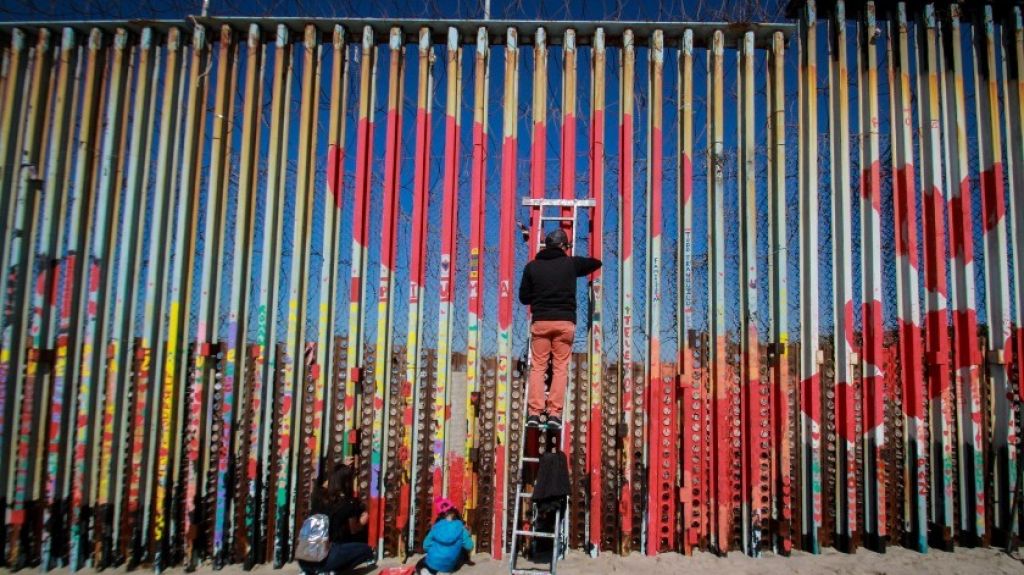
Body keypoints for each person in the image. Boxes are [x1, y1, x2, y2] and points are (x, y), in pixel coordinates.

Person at [518, 228, 602, 428]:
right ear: (564, 246)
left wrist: (540, 293)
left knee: (538, 367)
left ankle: (534, 412)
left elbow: (524, 298)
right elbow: (595, 263)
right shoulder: (570, 264)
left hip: (541, 322)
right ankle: (554, 413)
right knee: (560, 367)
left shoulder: (532, 267)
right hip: (565, 323)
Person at [297, 461, 376, 574]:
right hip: (327, 557)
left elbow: (324, 481)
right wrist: (363, 522)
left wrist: (341, 467)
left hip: (303, 559)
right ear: (347, 483)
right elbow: (354, 529)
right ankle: (329, 570)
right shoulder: (348, 503)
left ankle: (310, 570)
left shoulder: (318, 497)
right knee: (366, 550)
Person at [416, 498, 473, 575]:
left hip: (433, 562)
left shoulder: (435, 527)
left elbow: (425, 546)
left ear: (440, 515)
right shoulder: (461, 528)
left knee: (421, 563)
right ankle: (444, 572)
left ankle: (427, 572)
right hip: (449, 565)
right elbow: (470, 546)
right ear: (455, 513)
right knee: (458, 557)